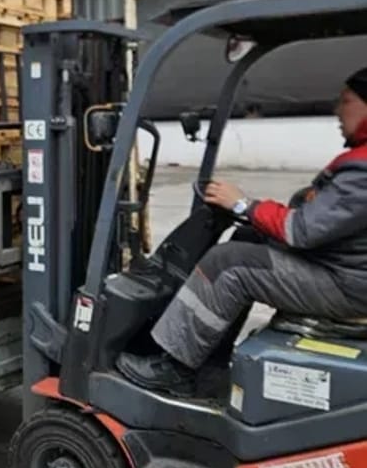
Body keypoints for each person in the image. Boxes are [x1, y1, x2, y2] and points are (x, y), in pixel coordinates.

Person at [119, 68, 367, 395]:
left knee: (228, 264)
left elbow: (301, 230)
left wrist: (243, 205)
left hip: (346, 286)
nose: (337, 111)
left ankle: (176, 369)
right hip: (346, 272)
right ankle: (209, 359)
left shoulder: (362, 170)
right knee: (248, 238)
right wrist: (254, 214)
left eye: (346, 101)